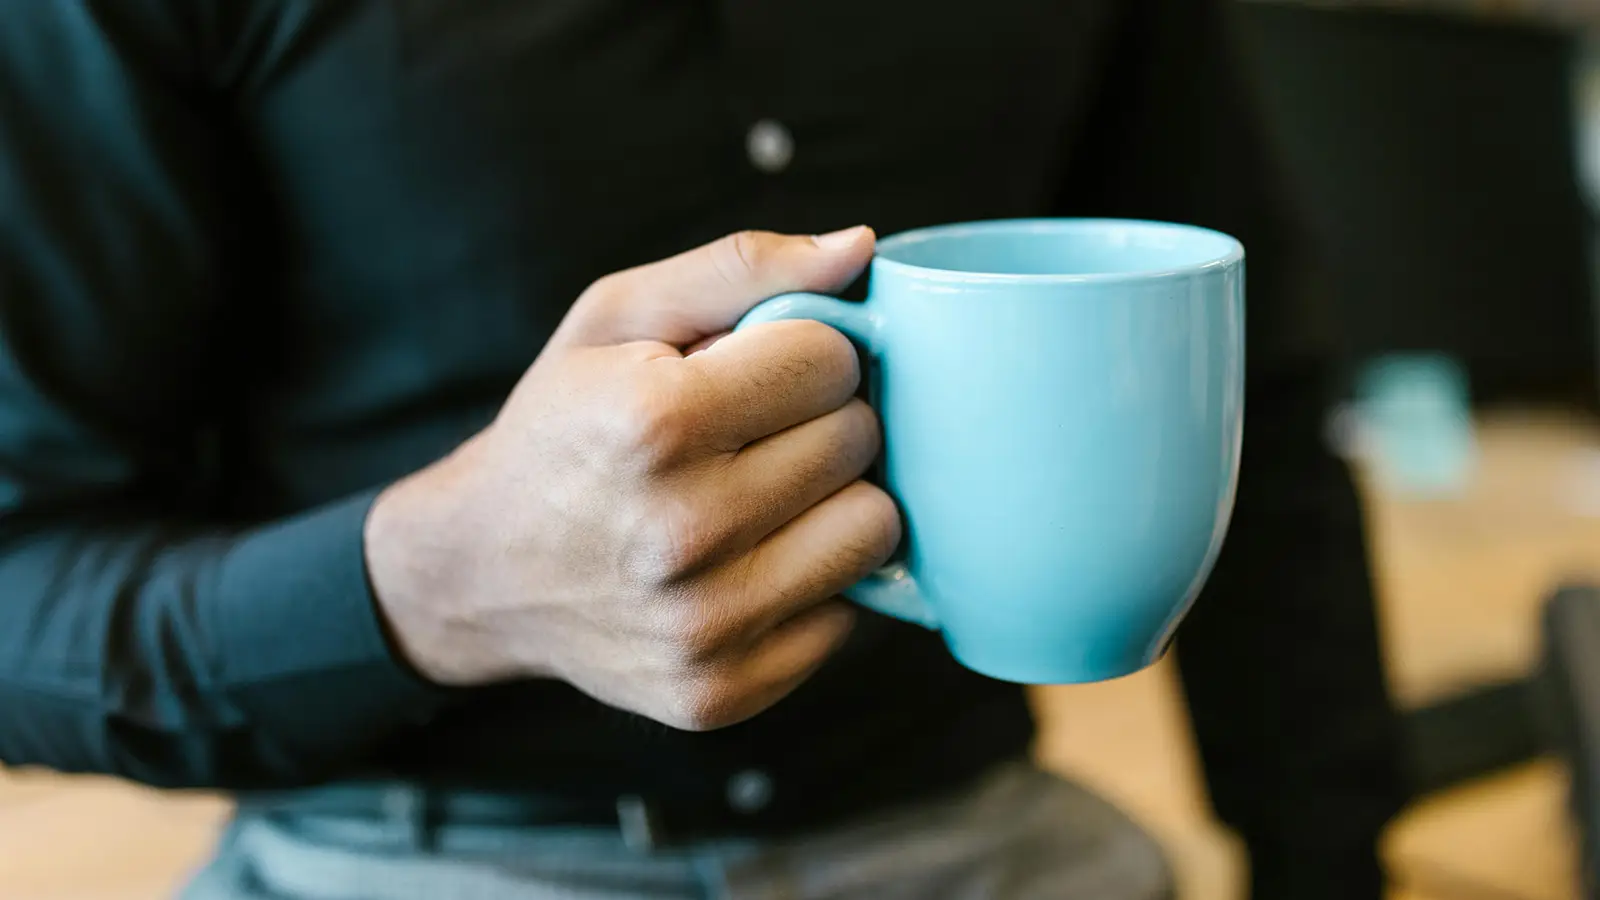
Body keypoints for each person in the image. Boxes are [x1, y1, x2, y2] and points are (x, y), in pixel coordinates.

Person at [0, 0, 1408, 897]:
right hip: (408, 855)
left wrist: (1330, 859)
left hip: (981, 829)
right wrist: (436, 587)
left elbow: (1261, 406)